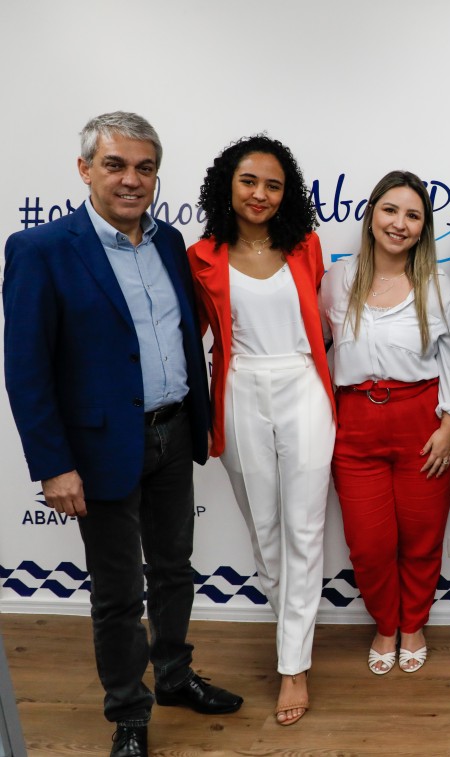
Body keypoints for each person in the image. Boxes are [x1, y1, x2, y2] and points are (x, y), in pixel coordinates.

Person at [3, 112, 242, 757]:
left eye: (144, 167)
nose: (131, 180)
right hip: (100, 450)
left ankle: (172, 675)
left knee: (173, 573)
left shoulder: (168, 242)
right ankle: (129, 714)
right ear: (85, 170)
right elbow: (26, 372)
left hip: (171, 437)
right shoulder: (41, 251)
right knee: (116, 593)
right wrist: (54, 465)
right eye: (115, 165)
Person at [188, 135, 334, 726]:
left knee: (305, 528)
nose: (260, 194)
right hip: (240, 388)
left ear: (286, 192)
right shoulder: (201, 256)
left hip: (301, 384)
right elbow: (189, 341)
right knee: (267, 531)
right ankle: (289, 636)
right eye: (250, 181)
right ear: (229, 184)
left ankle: (293, 665)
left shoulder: (306, 247)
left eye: (273, 185)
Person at [320, 170, 450, 676]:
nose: (399, 224)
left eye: (413, 216)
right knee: (370, 543)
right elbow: (320, 349)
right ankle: (385, 622)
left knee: (422, 537)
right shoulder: (338, 279)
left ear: (423, 228)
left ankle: (413, 623)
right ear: (372, 214)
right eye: (390, 210)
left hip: (422, 421)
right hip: (355, 423)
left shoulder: (437, 285)